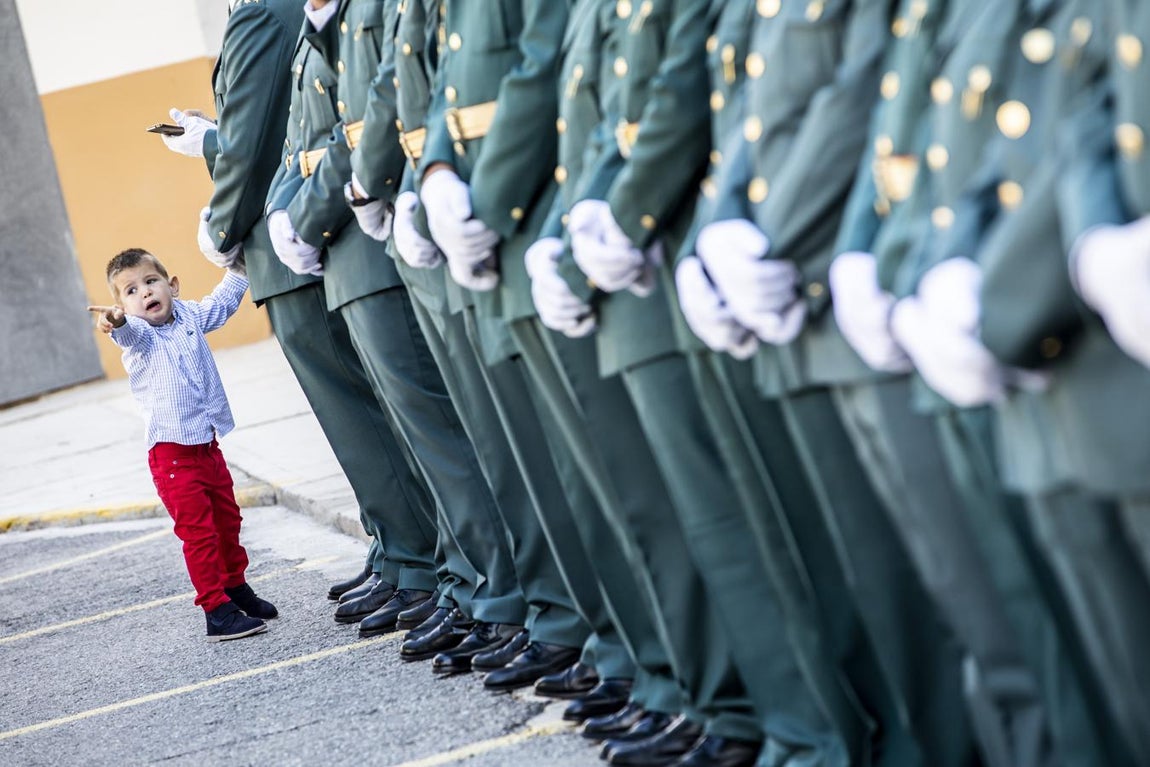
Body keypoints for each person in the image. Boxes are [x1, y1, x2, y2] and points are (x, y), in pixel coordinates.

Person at [161, 0, 438, 616]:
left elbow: (255, 142)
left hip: (286, 238)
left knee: (356, 414)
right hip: (290, 228)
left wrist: (224, 225)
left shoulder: (262, 10)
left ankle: (415, 557)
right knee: (352, 415)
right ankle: (396, 551)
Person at [88, 248, 276, 642]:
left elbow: (222, 303)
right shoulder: (139, 335)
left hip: (207, 448)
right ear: (124, 304)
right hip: (172, 458)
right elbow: (124, 330)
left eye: (150, 282)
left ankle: (235, 586)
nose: (144, 293)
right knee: (200, 534)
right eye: (131, 291)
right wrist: (115, 320)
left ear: (171, 285)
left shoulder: (189, 316)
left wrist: (240, 263)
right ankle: (216, 609)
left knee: (228, 522)